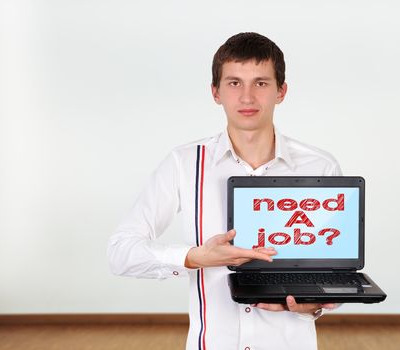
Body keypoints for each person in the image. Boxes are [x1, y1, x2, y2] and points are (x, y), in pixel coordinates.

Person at [108, 32, 342, 350]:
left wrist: (310, 306)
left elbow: (333, 272)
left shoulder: (320, 166)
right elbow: (121, 253)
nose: (247, 97)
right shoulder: (184, 163)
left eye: (261, 83)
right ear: (215, 92)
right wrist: (193, 258)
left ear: (281, 91)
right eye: (234, 83)